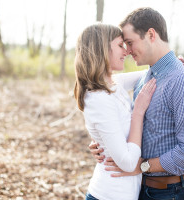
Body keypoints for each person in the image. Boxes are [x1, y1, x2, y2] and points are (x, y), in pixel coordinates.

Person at [89, 7, 184, 200]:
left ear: (151, 34)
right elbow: (104, 93)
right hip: (141, 188)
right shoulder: (145, 78)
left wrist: (143, 165)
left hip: (171, 192)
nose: (127, 51)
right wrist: (102, 141)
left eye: (129, 42)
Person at [74, 23, 157, 200]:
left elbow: (149, 73)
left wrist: (176, 63)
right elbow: (127, 163)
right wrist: (138, 112)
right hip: (109, 194)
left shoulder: (112, 84)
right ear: (102, 50)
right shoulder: (98, 98)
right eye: (120, 45)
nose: (126, 51)